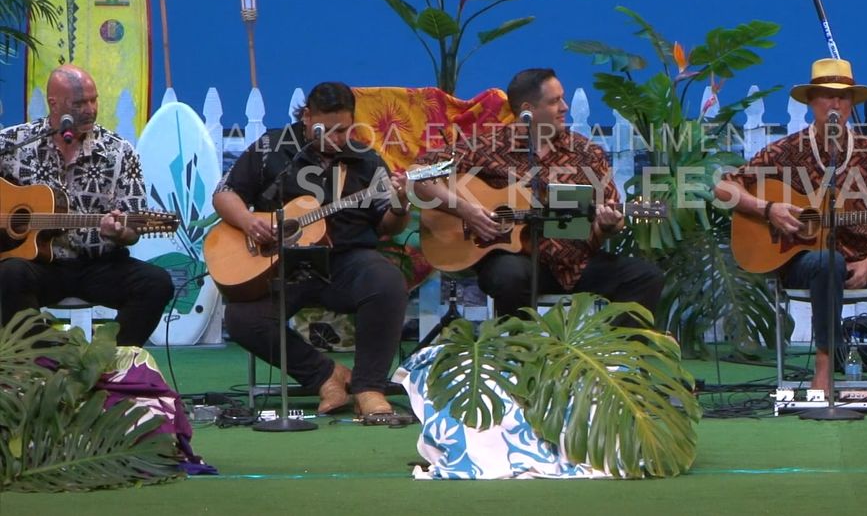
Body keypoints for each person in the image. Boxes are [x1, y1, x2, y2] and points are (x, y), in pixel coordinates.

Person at [716, 58, 867, 408]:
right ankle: (824, 368)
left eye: (843, 98)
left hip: (862, 260)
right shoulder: (788, 150)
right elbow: (724, 188)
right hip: (803, 261)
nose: (835, 105)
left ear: (851, 105)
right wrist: (769, 209)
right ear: (812, 102)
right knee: (826, 260)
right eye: (827, 97)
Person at [214, 82, 411, 417]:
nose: (336, 139)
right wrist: (249, 223)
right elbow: (225, 194)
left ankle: (368, 387)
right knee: (242, 318)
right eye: (327, 129)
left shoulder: (367, 160)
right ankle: (324, 377)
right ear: (307, 117)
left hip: (347, 262)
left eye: (344, 130)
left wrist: (401, 203)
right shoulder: (271, 148)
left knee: (387, 282)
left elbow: (387, 227)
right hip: (282, 265)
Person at [413, 68, 663, 323]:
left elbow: (611, 214)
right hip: (517, 263)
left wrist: (610, 224)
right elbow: (417, 174)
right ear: (528, 110)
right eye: (555, 101)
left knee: (645, 276)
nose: (565, 107)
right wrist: (467, 211)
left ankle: (620, 356)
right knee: (509, 275)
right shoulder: (485, 145)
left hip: (577, 263)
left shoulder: (588, 154)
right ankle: (522, 354)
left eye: (563, 98)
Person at [0, 65, 172, 345]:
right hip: (39, 266)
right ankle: (46, 361)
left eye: (94, 100)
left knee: (156, 283)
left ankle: (106, 363)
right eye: (79, 103)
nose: (90, 109)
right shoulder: (14, 143)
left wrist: (120, 232)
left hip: (99, 265)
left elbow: (132, 228)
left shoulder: (118, 151)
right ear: (53, 103)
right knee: (9, 274)